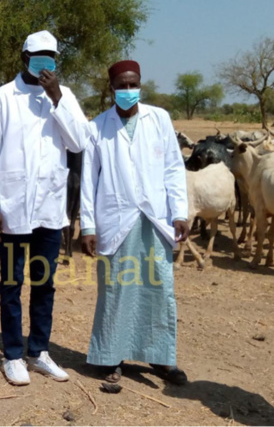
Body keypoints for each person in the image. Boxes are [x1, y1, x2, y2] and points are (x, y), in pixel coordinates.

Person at [0, 30, 89, 386]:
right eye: (38, 56)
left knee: (44, 282)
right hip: (13, 207)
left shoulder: (64, 96)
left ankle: (38, 351)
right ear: (24, 58)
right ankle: (11, 354)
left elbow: (79, 141)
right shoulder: (3, 97)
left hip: (50, 207)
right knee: (11, 282)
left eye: (50, 57)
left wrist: (57, 98)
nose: (44, 63)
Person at [79, 60, 189, 385]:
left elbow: (172, 167)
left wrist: (179, 211)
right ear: (111, 89)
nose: (128, 90)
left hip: (155, 217)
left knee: (159, 289)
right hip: (116, 219)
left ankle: (161, 358)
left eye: (133, 84)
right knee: (116, 290)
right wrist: (87, 226)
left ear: (140, 84)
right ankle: (111, 357)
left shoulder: (160, 119)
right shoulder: (96, 127)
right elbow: (88, 180)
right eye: (121, 85)